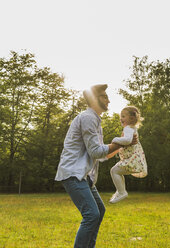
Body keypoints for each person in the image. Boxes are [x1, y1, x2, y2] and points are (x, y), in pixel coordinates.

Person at [55, 84, 135, 248]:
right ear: (94, 99)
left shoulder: (95, 121)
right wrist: (119, 142)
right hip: (74, 174)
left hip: (84, 177)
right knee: (91, 214)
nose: (108, 99)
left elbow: (101, 154)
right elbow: (96, 151)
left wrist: (122, 145)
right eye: (104, 96)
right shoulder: (88, 118)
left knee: (99, 211)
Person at [108, 106, 148, 204]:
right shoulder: (131, 128)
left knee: (114, 171)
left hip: (132, 159)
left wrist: (115, 139)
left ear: (132, 118)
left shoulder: (128, 128)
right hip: (132, 158)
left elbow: (127, 140)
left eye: (123, 116)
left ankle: (121, 192)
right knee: (117, 171)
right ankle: (120, 191)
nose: (121, 119)